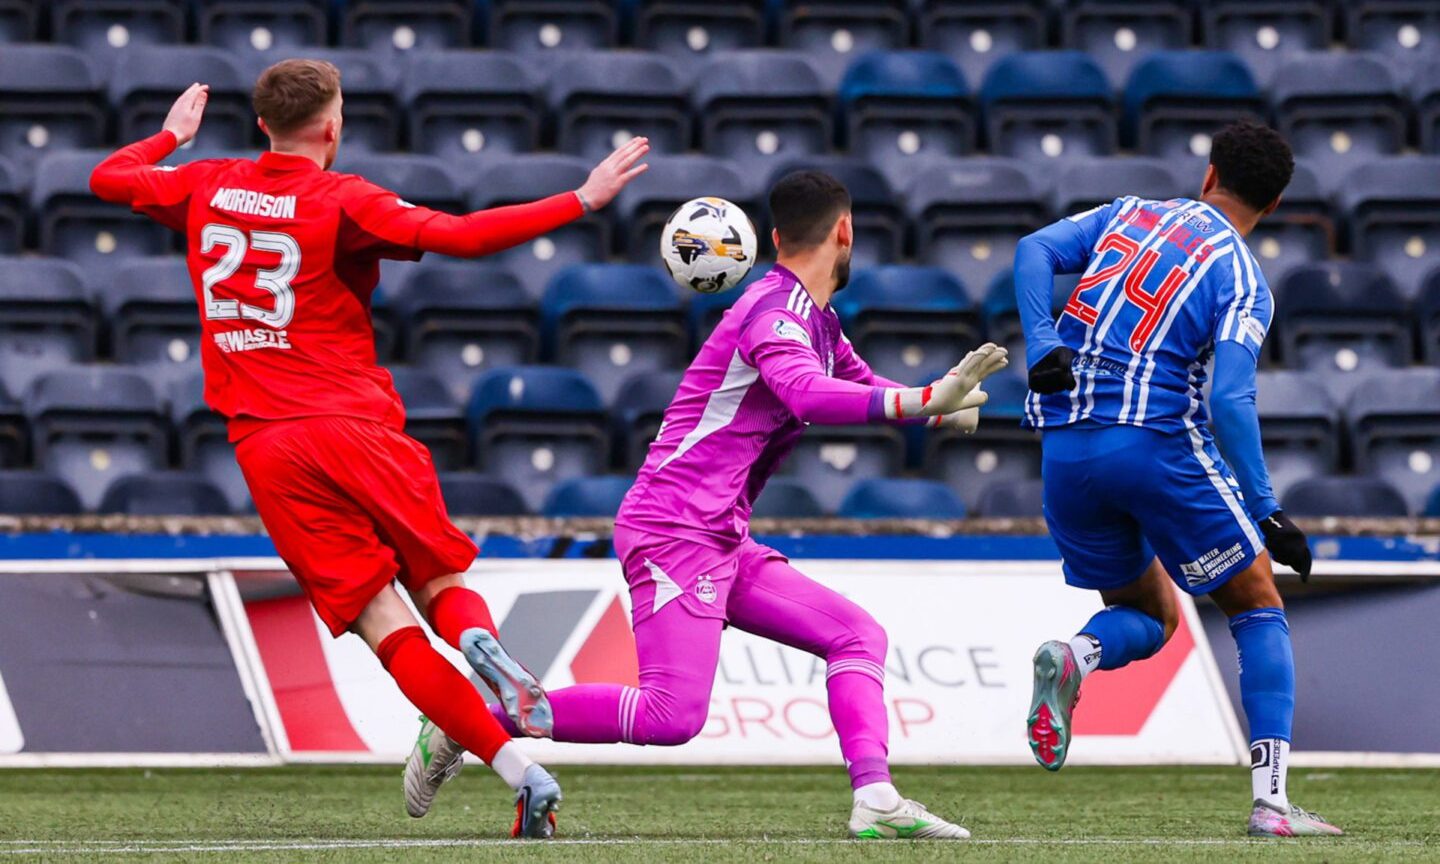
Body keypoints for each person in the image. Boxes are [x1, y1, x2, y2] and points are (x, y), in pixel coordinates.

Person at [89, 60, 650, 838]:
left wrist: (169, 136)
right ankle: (477, 638)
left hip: (269, 447)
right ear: (332, 124)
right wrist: (581, 199)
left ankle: (523, 774)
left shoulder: (205, 182)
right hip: (356, 427)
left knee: (385, 627)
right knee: (440, 578)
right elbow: (463, 235)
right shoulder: (344, 199)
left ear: (262, 125)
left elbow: (107, 178)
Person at [418, 170, 1010, 840]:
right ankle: (468, 720)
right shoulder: (772, 314)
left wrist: (938, 408)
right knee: (671, 716)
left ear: (777, 235)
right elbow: (809, 395)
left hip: (718, 535)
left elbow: (863, 386)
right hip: (673, 528)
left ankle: (874, 797)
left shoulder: (817, 320)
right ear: (845, 231)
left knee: (856, 635)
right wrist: (922, 400)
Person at [1014, 121, 1341, 837]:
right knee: (1256, 603)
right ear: (1277, 203)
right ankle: (1273, 805)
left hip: (1065, 449)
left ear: (1208, 173)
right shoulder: (1245, 279)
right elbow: (1228, 398)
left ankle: (1079, 654)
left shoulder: (1130, 212)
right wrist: (1267, 511)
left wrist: (1043, 342)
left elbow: (1034, 248)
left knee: (1155, 616)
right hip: (1153, 446)